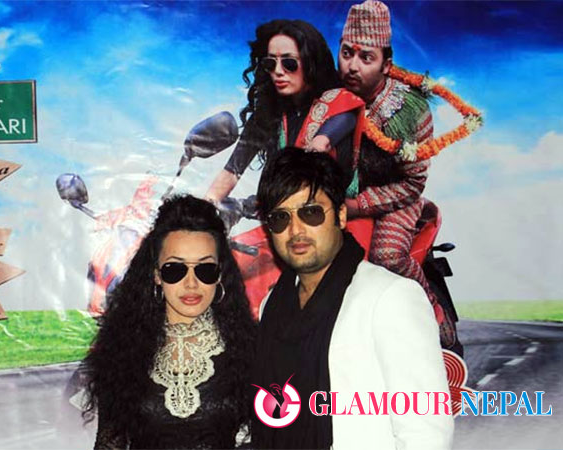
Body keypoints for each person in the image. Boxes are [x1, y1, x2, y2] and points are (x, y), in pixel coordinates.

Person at [252, 149, 452, 449]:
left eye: (310, 212)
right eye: (281, 218)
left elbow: (426, 434)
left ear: (341, 216)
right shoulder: (273, 304)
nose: (295, 230)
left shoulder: (391, 297)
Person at [82, 195, 256, 449]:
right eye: (175, 269)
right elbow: (109, 444)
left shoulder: (250, 348)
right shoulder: (122, 349)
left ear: (220, 275)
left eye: (205, 269)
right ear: (156, 275)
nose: (191, 283)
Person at [336, 0, 457, 347]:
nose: (352, 66)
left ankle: (433, 313)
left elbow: (413, 183)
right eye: (346, 53)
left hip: (395, 198)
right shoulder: (330, 96)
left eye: (366, 58)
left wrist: (357, 205)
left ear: (386, 64)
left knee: (387, 256)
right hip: (337, 198)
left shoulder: (411, 110)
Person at [205, 19, 365, 204]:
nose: (278, 71)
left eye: (289, 63)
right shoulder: (268, 113)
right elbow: (232, 171)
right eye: (270, 63)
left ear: (310, 62)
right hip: (282, 207)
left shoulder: (340, 105)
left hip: (331, 211)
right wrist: (206, 205)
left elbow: (325, 141)